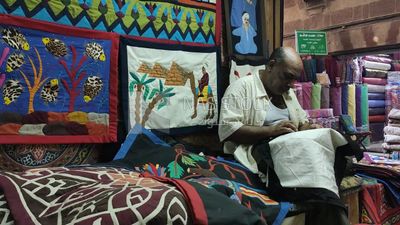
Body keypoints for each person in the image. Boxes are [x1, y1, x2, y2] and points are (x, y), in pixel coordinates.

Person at [219, 47, 353, 225]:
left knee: (336, 155)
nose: (291, 84)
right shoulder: (241, 88)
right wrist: (270, 131)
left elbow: (300, 122)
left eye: (294, 79)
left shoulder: (287, 94)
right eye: (288, 76)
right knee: (322, 190)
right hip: (259, 155)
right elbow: (228, 130)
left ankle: (327, 203)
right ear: (271, 66)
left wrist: (309, 127)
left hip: (291, 152)